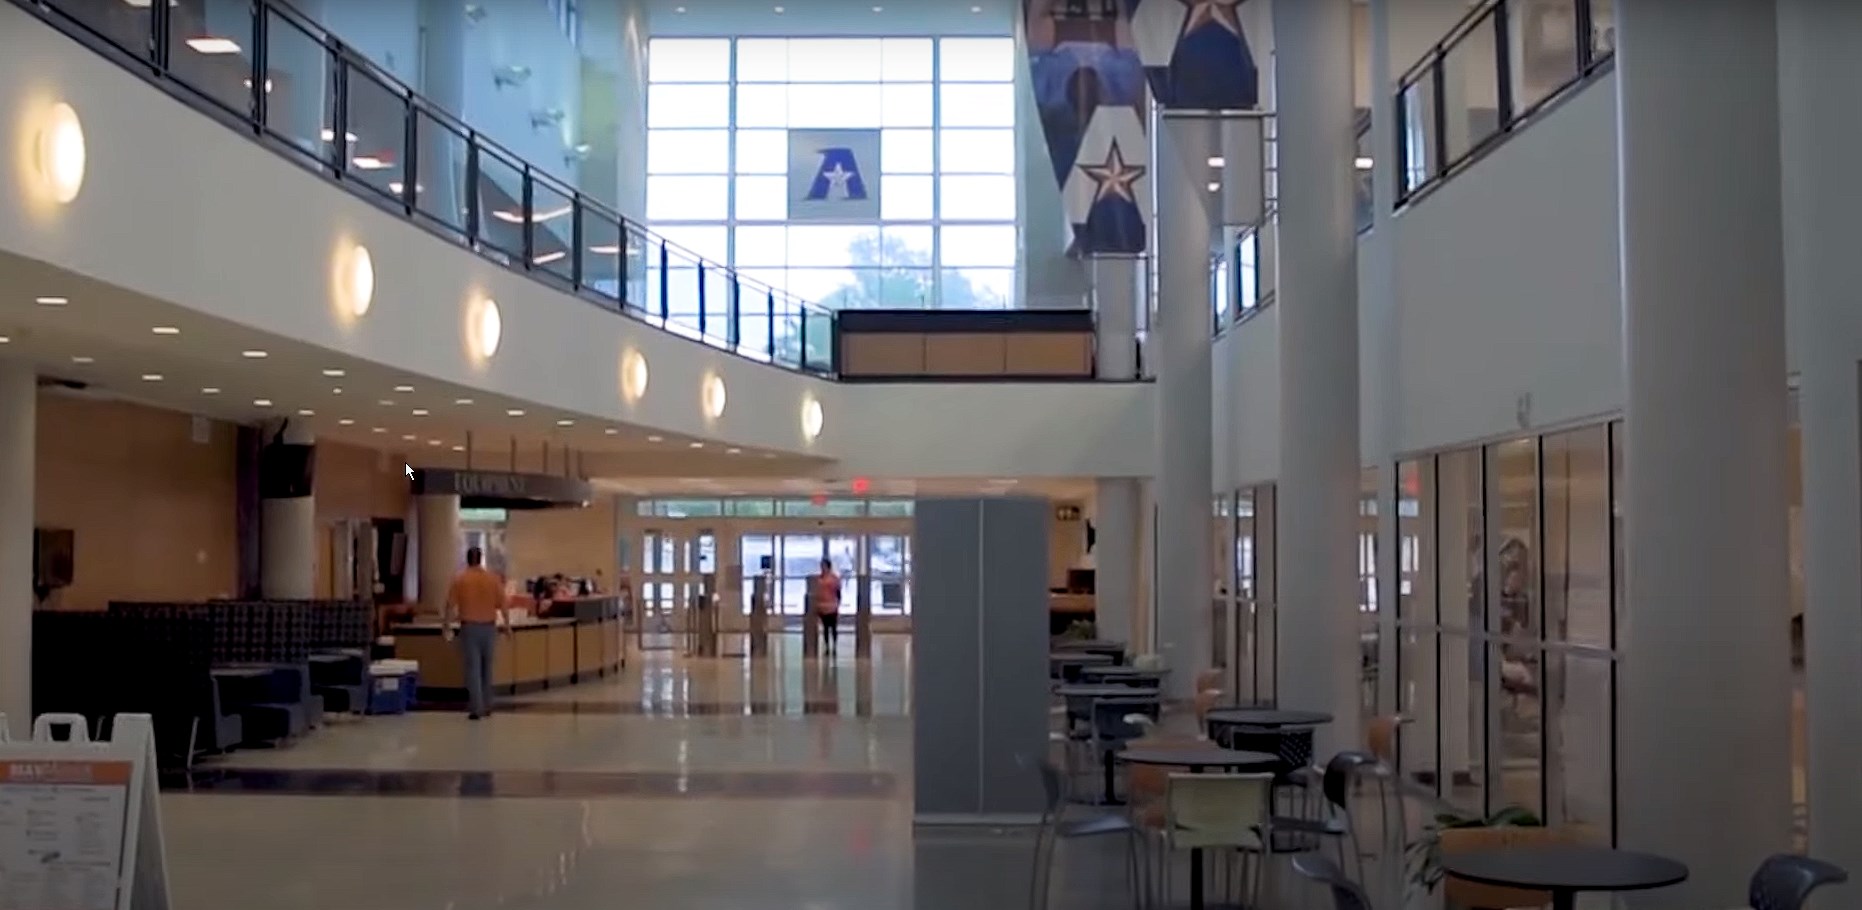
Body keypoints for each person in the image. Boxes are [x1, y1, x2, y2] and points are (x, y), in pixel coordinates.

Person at [443, 546, 509, 720]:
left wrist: (446, 626)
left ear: (467, 559)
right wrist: (507, 626)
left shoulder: (460, 579)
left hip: (470, 627)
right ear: (481, 559)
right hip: (489, 627)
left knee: (473, 668)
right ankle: (488, 705)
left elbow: (450, 605)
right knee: (487, 667)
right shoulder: (492, 579)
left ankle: (476, 708)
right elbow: (503, 604)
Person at [813, 558, 842, 654]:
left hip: (832, 605)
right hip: (822, 606)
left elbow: (838, 592)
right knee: (825, 628)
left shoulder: (834, 578)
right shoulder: (819, 578)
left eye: (823, 566)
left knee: (833, 627)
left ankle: (834, 646)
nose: (822, 568)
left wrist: (838, 603)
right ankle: (827, 646)